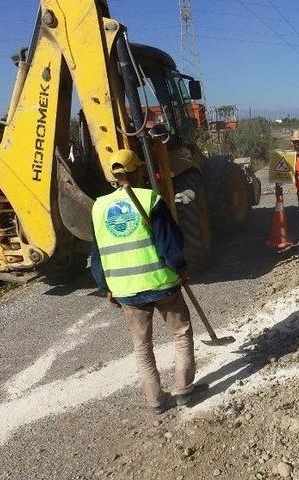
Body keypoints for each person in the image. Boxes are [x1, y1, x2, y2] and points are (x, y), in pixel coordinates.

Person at [90, 149, 205, 414]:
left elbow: (96, 253)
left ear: (114, 175)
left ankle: (155, 400)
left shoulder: (99, 207)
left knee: (141, 345)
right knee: (180, 333)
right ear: (138, 171)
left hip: (126, 290)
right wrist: (181, 268)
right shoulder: (150, 198)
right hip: (161, 283)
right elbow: (169, 243)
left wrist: (104, 286)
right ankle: (184, 391)